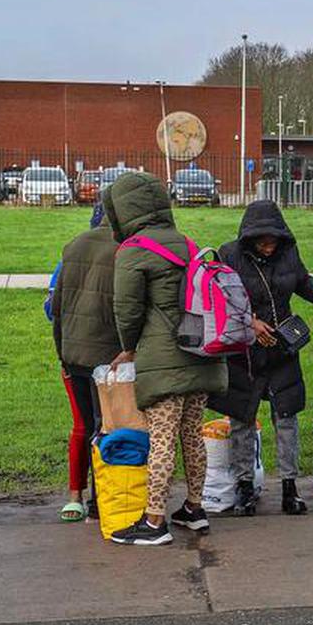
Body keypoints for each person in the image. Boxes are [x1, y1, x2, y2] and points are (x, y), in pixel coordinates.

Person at [105, 171, 224, 546]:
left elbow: (126, 309)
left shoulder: (132, 250)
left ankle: (154, 521)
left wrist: (129, 346)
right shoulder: (187, 244)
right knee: (192, 435)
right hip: (201, 353)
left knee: (161, 438)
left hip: (163, 358)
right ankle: (194, 508)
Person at [216, 199, 313, 516]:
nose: (268, 246)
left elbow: (301, 282)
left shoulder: (288, 253)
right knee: (242, 419)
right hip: (243, 352)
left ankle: (290, 487)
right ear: (248, 237)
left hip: (282, 347)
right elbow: (220, 300)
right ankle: (244, 487)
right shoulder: (229, 255)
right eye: (261, 240)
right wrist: (250, 323)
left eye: (273, 239)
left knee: (286, 418)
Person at [51, 202, 117, 523]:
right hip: (108, 355)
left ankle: (85, 497)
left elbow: (57, 306)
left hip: (74, 353)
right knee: (109, 426)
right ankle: (102, 497)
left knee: (86, 425)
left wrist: (62, 350)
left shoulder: (75, 245)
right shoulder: (123, 249)